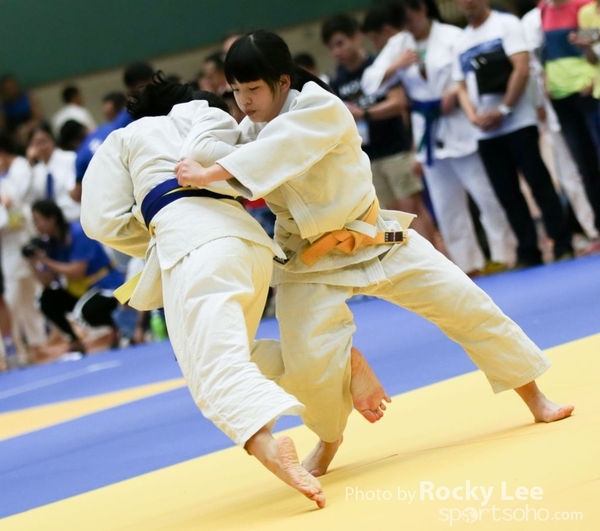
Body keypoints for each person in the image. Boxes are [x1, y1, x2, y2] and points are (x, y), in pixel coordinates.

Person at [175, 29, 574, 478]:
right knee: (308, 366)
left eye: (253, 88)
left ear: (282, 82)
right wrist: (199, 150)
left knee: (466, 305)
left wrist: (207, 172)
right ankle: (329, 439)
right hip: (310, 259)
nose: (244, 100)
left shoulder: (319, 107)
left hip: (374, 237)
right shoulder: (249, 134)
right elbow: (234, 160)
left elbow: (278, 150)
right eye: (235, 91)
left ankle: (535, 398)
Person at [80, 73, 326, 508]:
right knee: (234, 352)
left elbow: (100, 221)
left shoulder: (125, 137)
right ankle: (327, 363)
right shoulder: (208, 116)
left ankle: (270, 448)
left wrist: (156, 227)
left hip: (194, 248)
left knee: (209, 369)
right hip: (249, 245)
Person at [454, 0, 574, 267]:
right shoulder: (460, 41)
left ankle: (562, 243)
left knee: (539, 184)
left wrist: (505, 109)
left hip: (517, 121)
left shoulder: (506, 25)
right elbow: (460, 86)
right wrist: (473, 116)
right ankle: (528, 250)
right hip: (485, 131)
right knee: (506, 193)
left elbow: (521, 68)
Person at [26, 199, 124, 355]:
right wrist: (33, 261)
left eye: (38, 220)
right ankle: (74, 340)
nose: (36, 226)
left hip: (107, 286)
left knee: (84, 313)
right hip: (82, 290)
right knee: (45, 298)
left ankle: (119, 326)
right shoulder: (51, 243)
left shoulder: (78, 233)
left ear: (51, 218)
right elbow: (47, 282)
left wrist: (45, 260)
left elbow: (77, 271)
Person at [70, 62, 155, 203]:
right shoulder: (122, 124)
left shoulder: (168, 104)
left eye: (150, 83)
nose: (150, 89)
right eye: (144, 85)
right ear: (129, 89)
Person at [0, 132, 47, 363]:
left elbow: (17, 198)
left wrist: (6, 199)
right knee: (12, 298)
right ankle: (12, 349)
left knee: (31, 296)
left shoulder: (18, 169)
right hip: (7, 245)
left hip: (25, 238)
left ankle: (38, 344)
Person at [26, 122, 81, 221]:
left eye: (44, 141)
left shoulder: (70, 158)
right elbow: (31, 199)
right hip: (52, 222)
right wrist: (29, 165)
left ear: (52, 140)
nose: (42, 147)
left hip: (74, 215)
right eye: (36, 144)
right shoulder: (35, 170)